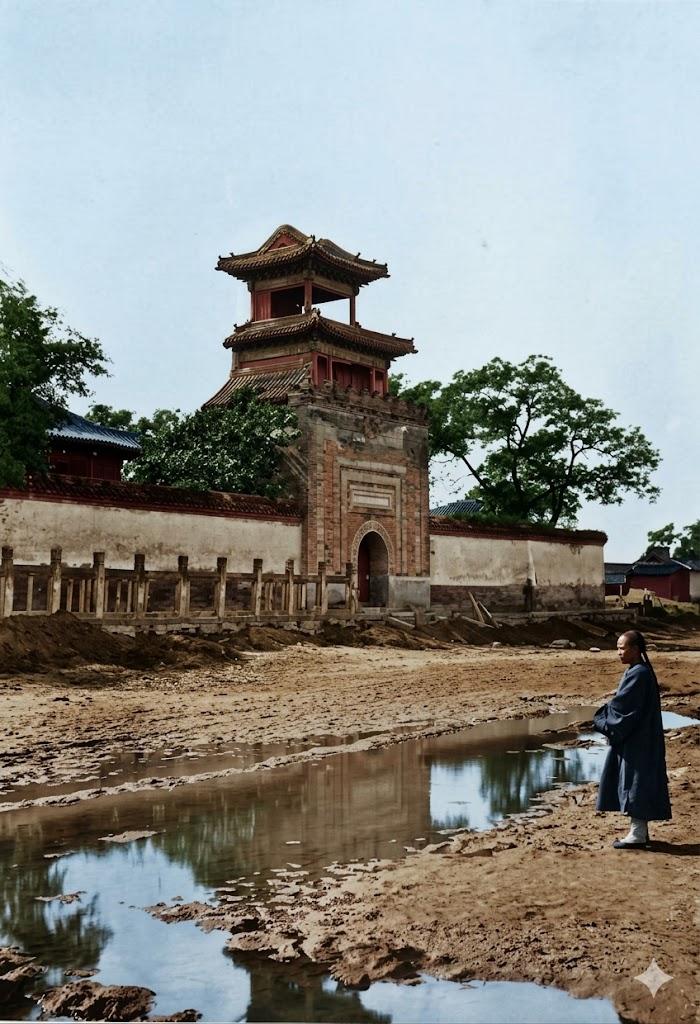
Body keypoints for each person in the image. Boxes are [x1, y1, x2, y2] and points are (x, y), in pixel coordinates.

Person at [593, 629, 671, 849]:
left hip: (639, 740)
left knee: (636, 782)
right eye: (617, 648)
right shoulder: (639, 671)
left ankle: (637, 834)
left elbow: (624, 707)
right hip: (641, 737)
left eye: (622, 648)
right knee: (637, 781)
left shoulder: (639, 673)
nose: (618, 652)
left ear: (635, 650)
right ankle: (639, 832)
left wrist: (601, 717)